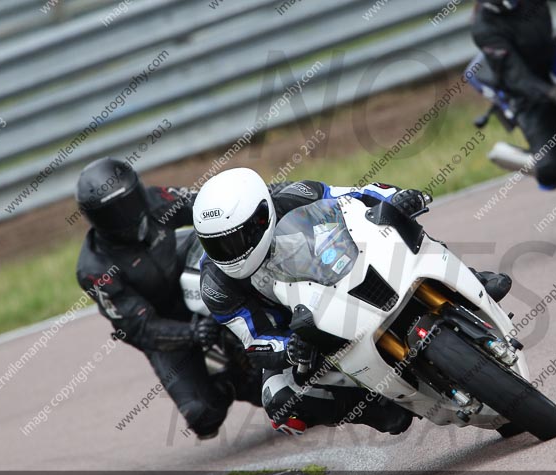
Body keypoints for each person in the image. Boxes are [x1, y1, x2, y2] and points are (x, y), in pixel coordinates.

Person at [194, 167, 512, 436]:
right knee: (279, 401)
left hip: (339, 267)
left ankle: (468, 279)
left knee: (398, 226)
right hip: (302, 329)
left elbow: (356, 195)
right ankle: (375, 405)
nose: (229, 252)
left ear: (261, 218)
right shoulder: (216, 284)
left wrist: (397, 198)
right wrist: (289, 348)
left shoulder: (295, 196)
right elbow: (255, 339)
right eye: (216, 244)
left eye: (234, 239)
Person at [74, 157, 260, 439]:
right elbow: (140, 329)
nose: (127, 216)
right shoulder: (95, 269)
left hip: (188, 274)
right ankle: (231, 379)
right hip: (164, 327)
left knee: (219, 240)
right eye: (113, 213)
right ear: (95, 220)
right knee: (203, 416)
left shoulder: (155, 201)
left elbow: (207, 204)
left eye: (129, 202)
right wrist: (192, 333)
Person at [472, 0, 556, 189]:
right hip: (528, 95)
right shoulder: (485, 27)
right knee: (552, 168)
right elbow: (516, 77)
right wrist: (553, 93)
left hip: (555, 58)